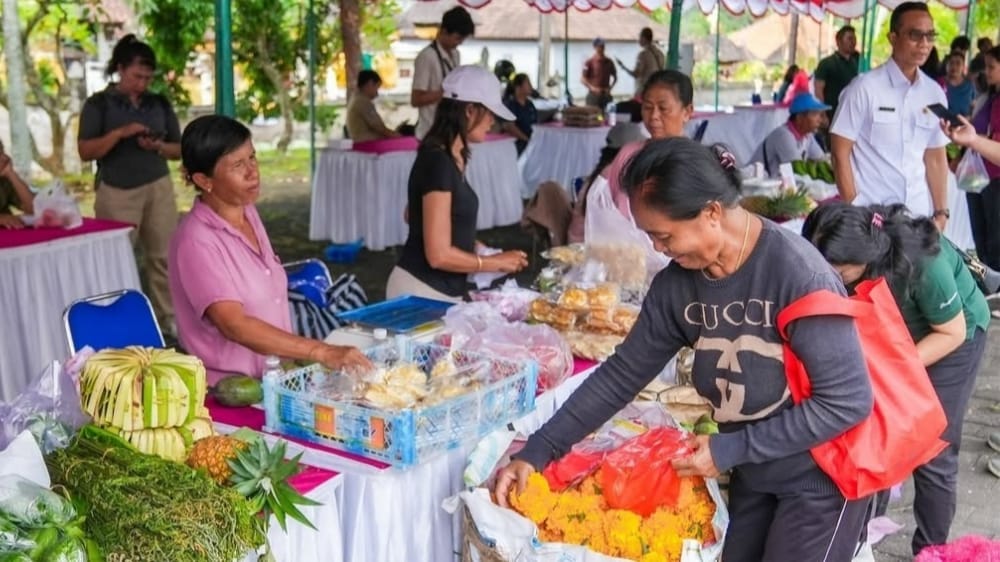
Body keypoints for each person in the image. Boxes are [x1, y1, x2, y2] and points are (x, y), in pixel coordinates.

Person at [495, 137, 874, 561]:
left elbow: (847, 401)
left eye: (663, 235)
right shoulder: (678, 285)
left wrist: (731, 449)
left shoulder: (798, 274)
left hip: (821, 477)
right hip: (755, 471)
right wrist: (540, 449)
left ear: (711, 212)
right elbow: (621, 376)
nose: (657, 248)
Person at [802, 202, 989, 556]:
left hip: (953, 337)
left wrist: (892, 373)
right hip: (895, 336)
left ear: (866, 258)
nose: (828, 279)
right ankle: (864, 537)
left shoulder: (921, 263)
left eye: (838, 273)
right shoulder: (844, 254)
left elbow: (951, 332)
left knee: (933, 448)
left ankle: (931, 550)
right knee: (876, 434)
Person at [168, 115, 372, 385]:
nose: (253, 172)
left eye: (252, 157)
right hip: (233, 391)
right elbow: (234, 325)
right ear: (204, 180)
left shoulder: (247, 212)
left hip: (275, 378)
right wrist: (321, 351)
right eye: (238, 164)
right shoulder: (196, 241)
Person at [387, 65, 528, 301]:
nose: (492, 121)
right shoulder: (438, 160)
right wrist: (491, 262)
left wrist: (472, 245)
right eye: (490, 112)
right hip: (421, 291)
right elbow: (438, 256)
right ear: (470, 111)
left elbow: (414, 215)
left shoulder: (450, 157)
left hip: (439, 291)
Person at [77, 34, 181, 334]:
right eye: (137, 76)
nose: (143, 83)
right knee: (117, 259)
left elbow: (179, 149)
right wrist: (120, 133)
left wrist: (157, 147)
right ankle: (118, 323)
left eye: (148, 77)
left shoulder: (158, 103)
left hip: (158, 184)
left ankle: (169, 319)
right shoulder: (99, 104)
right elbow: (86, 151)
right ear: (120, 69)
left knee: (163, 257)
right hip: (117, 190)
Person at [830, 2, 951, 226]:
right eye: (915, 35)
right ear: (893, 38)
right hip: (873, 219)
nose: (924, 44)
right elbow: (839, 152)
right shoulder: (864, 88)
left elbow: (935, 156)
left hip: (919, 218)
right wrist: (856, 212)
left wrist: (941, 213)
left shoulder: (934, 93)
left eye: (930, 35)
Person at [602, 69, 694, 220]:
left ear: (687, 112)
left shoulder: (697, 161)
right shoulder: (629, 154)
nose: (654, 116)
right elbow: (608, 206)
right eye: (648, 107)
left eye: (663, 108)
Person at [411, 6, 475, 139]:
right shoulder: (427, 56)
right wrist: (446, 92)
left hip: (451, 130)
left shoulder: (456, 54)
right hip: (430, 133)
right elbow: (416, 99)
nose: (459, 43)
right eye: (457, 38)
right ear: (444, 31)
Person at [962, 46, 1000, 271]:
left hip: (996, 177)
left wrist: (978, 138)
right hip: (979, 173)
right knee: (982, 235)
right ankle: (988, 281)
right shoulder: (989, 96)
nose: (987, 72)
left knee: (996, 240)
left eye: (992, 67)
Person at [750, 92, 829, 177]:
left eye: (820, 115)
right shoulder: (783, 135)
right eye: (814, 114)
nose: (820, 120)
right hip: (753, 183)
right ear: (799, 118)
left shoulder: (807, 136)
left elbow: (821, 160)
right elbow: (799, 171)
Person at [814, 25, 860, 117]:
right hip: (832, 114)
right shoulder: (826, 63)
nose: (853, 42)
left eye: (854, 39)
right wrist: (823, 114)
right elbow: (818, 90)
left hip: (853, 113)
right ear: (839, 42)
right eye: (849, 39)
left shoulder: (859, 62)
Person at [346, 70, 400, 142]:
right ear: (370, 84)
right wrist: (400, 137)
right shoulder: (362, 102)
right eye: (377, 88)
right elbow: (380, 128)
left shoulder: (356, 98)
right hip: (367, 144)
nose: (377, 93)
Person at [615, 27, 665, 99]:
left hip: (644, 92)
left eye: (640, 37)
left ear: (644, 38)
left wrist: (623, 67)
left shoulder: (643, 55)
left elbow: (636, 74)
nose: (638, 39)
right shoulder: (660, 54)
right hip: (656, 90)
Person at [0, 139, 35, 229]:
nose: (5, 157)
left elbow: (34, 208)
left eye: (2, 151)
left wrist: (11, 173)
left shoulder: (3, 181)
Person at [502, 73, 537, 155]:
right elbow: (509, 126)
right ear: (518, 87)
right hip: (517, 145)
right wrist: (526, 139)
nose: (531, 86)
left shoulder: (530, 104)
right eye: (528, 83)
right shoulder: (511, 104)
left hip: (531, 143)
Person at [582, 38, 617, 108]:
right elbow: (583, 79)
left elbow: (615, 77)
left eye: (603, 46)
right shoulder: (589, 62)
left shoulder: (609, 61)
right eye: (600, 46)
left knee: (607, 115)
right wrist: (592, 88)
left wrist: (610, 87)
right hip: (593, 95)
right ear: (595, 47)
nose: (602, 48)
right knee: (594, 116)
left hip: (606, 94)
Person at [942, 52, 976, 117]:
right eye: (951, 63)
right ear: (946, 65)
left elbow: (973, 108)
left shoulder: (970, 86)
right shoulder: (939, 84)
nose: (954, 66)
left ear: (963, 67)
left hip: (964, 123)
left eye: (958, 63)